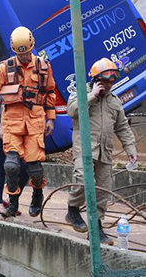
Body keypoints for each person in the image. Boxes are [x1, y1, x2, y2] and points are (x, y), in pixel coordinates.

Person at [65, 58, 137, 245]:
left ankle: (96, 228)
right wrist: (92, 96)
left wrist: (130, 149)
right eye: (105, 80)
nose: (109, 84)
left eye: (112, 81)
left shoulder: (114, 101)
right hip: (85, 149)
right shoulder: (81, 93)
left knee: (103, 191)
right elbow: (72, 111)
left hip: (105, 152)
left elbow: (122, 127)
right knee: (82, 179)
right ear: (96, 79)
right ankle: (72, 209)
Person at [0, 26, 56, 217]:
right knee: (11, 166)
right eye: (20, 54)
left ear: (32, 46)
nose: (24, 57)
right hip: (11, 123)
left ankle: (37, 194)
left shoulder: (43, 66)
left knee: (34, 167)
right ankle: (13, 203)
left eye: (26, 53)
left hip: (35, 122)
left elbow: (50, 93)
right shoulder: (5, 67)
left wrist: (50, 118)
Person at [0, 108, 30, 214]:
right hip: (0, 134)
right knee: (1, 168)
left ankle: (11, 200)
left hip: (20, 133)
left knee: (25, 170)